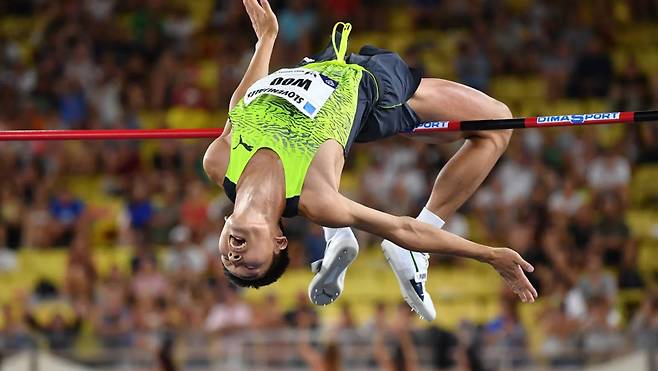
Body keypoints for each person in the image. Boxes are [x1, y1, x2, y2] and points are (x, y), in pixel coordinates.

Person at [203, 0, 538, 321]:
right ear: (279, 242)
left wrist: (266, 40)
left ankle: (338, 237)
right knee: (497, 123)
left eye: (226, 259)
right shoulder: (316, 200)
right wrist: (490, 254)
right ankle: (382, 244)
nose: (233, 257)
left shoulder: (219, 163)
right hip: (375, 89)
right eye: (248, 265)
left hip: (317, 67)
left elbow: (242, 105)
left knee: (481, 124)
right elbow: (401, 228)